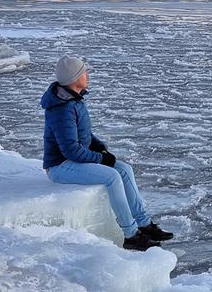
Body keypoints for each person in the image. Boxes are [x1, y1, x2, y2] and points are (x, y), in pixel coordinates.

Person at [41, 55, 173, 251]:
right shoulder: (62, 108)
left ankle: (144, 224)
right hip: (60, 166)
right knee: (112, 176)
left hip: (74, 160)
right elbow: (71, 150)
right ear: (73, 78)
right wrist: (101, 158)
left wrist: (99, 146)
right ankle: (130, 235)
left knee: (125, 169)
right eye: (83, 72)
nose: (87, 74)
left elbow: (83, 133)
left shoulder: (73, 100)